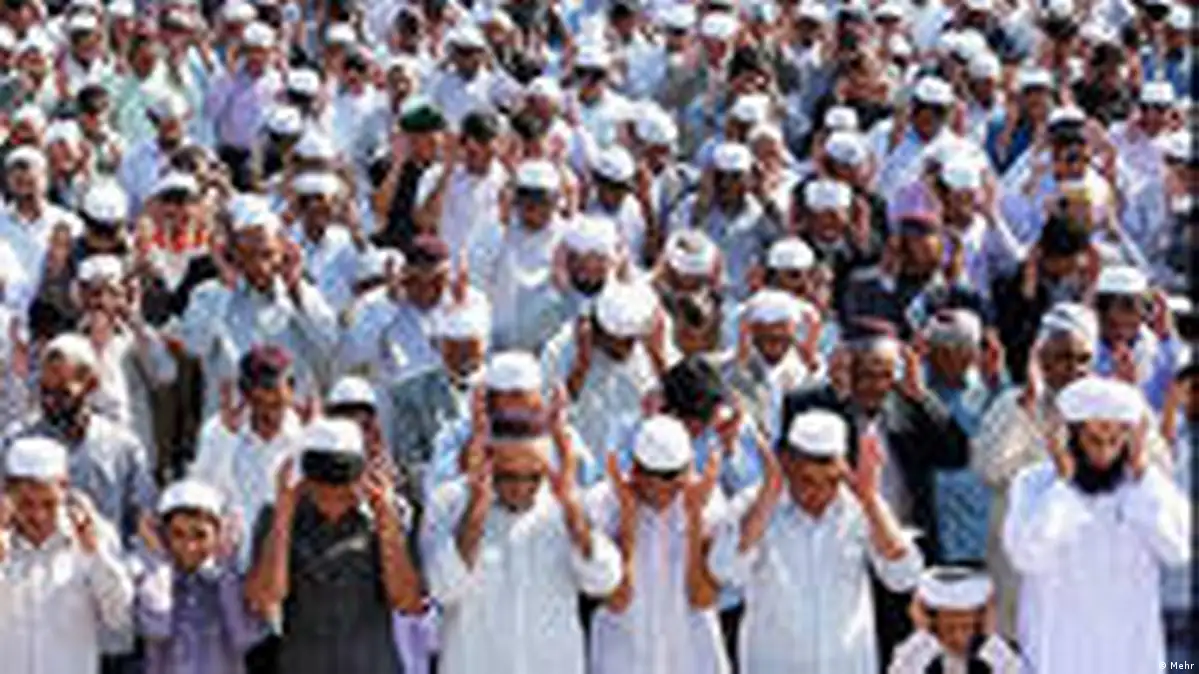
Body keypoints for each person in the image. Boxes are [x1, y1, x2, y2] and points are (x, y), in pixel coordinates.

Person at [422, 390, 622, 673]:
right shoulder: (449, 502)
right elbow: (443, 589)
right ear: (487, 463)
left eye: (533, 477)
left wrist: (572, 512)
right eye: (507, 476)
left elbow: (604, 581)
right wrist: (476, 510)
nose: (521, 487)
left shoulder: (565, 503)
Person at [710, 409, 923, 673]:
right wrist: (767, 498)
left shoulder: (860, 506)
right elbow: (726, 571)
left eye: (831, 481)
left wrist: (869, 500)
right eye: (807, 481)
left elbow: (905, 576)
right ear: (787, 464)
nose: (820, 493)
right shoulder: (754, 504)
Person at [1003, 376, 1191, 674]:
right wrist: (1064, 487)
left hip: (1129, 655)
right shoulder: (1034, 484)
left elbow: (1177, 550)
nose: (1104, 453)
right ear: (1069, 437)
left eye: (1115, 441)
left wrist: (1143, 475)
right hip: (1060, 653)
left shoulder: (1147, 486)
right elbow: (1026, 555)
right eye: (1094, 441)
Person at [245, 418, 424, 674]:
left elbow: (408, 602)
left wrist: (387, 523)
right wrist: (283, 517)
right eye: (323, 490)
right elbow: (265, 599)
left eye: (343, 491)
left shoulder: (391, 515)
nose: (333, 502)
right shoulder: (276, 515)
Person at [587, 415, 731, 674]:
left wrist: (694, 517)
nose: (662, 496)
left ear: (688, 470)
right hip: (625, 660)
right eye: (651, 486)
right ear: (635, 470)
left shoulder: (708, 501)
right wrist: (628, 519)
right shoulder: (603, 504)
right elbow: (618, 599)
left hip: (692, 660)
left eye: (672, 487)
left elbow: (702, 597)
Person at [0, 436, 134, 674]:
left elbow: (119, 616)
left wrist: (95, 555)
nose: (38, 516)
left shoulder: (95, 533)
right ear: (7, 494)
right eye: (26, 504)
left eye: (48, 504)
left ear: (64, 488)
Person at [189, 345, 305, 570]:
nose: (270, 414)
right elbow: (202, 494)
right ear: (246, 396)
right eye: (260, 404)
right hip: (232, 564)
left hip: (291, 565)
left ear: (291, 391)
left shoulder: (306, 435)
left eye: (277, 404)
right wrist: (227, 438)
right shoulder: (218, 432)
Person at [135, 479, 264, 674]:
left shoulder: (230, 579)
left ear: (218, 534)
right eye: (178, 534)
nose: (190, 546)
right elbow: (156, 626)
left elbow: (244, 636)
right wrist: (159, 560)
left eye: (200, 535)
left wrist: (226, 565)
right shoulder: (154, 579)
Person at [887, 567, 1021, 673]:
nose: (958, 637)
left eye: (966, 627)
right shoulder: (917, 653)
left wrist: (988, 638)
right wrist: (924, 636)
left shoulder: (996, 655)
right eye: (949, 628)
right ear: (934, 622)